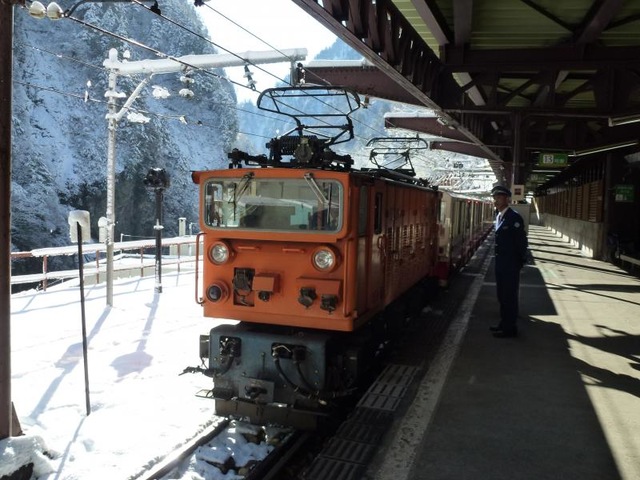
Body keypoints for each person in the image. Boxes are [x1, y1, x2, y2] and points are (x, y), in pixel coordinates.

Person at [490, 185, 528, 338]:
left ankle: (510, 328)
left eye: (499, 197)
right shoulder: (499, 216)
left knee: (509, 297)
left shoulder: (514, 217)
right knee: (502, 296)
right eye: (495, 198)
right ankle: (503, 323)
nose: (496, 200)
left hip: (510, 265)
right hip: (501, 264)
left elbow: (521, 242)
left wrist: (519, 263)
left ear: (507, 199)